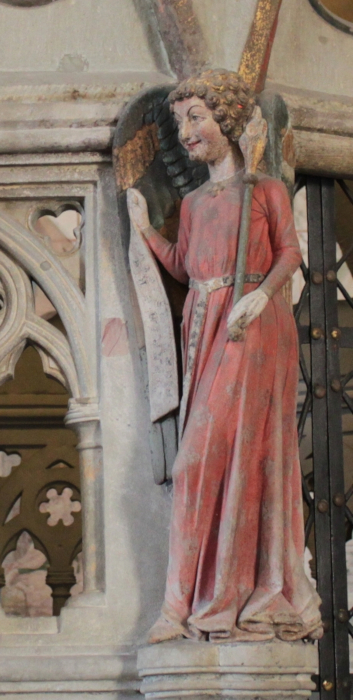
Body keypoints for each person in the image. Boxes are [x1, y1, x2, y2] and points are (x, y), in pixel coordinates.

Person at [126, 69, 322, 643]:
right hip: (206, 326)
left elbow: (290, 252)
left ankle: (219, 601)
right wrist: (144, 228)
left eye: (197, 117)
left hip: (253, 327)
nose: (186, 132)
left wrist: (260, 296)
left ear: (228, 120)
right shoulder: (192, 203)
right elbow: (185, 267)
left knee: (217, 457)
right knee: (209, 460)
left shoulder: (265, 189)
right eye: (180, 122)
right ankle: (191, 602)